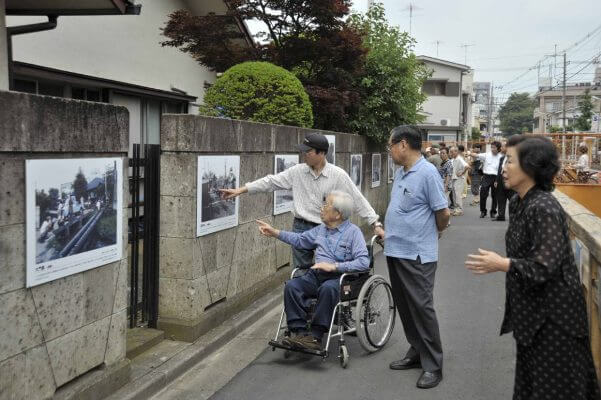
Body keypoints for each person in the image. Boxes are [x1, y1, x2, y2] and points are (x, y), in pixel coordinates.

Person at [465, 135, 600, 400]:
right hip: (532, 315)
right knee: (531, 384)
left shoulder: (544, 207)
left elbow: (544, 266)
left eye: (510, 161)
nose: (504, 167)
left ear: (532, 165)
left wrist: (502, 263)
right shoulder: (519, 201)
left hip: (555, 322)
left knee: (554, 388)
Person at [220, 132, 383, 268]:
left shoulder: (338, 175)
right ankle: (304, 305)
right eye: (303, 151)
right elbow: (271, 181)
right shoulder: (297, 171)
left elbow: (357, 198)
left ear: (321, 153)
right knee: (300, 272)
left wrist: (374, 223)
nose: (304, 154)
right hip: (301, 227)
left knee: (325, 271)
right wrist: (240, 190)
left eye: (308, 151)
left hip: (326, 229)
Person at [256, 191, 369, 351]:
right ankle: (300, 333)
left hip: (342, 278)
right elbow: (300, 239)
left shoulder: (353, 233)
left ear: (337, 214)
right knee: (292, 286)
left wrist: (335, 266)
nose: (321, 208)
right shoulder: (320, 230)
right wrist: (275, 232)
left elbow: (364, 262)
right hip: (317, 275)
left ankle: (315, 336)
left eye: (326, 205)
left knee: (328, 288)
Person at [383, 125, 450, 389]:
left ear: (402, 145)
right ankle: (416, 350)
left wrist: (436, 232)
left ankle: (433, 364)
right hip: (395, 249)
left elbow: (442, 213)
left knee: (422, 307)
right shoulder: (401, 173)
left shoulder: (428, 173)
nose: (389, 151)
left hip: (418, 253)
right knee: (405, 306)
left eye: (390, 145)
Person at [477, 141, 502, 218]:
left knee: (495, 196)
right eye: (491, 147)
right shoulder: (487, 155)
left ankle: (493, 212)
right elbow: (476, 155)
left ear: (498, 148)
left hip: (496, 177)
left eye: (494, 147)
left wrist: (498, 180)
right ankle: (483, 211)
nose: (492, 149)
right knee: (483, 194)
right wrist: (469, 153)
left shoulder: (501, 157)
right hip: (486, 176)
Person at [493, 142, 513, 221]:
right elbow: (499, 170)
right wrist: (496, 180)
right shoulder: (502, 158)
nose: (500, 148)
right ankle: (501, 215)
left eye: (502, 147)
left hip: (510, 179)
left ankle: (513, 216)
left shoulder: (513, 157)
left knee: (512, 198)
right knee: (500, 197)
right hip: (501, 179)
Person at [450, 146, 468, 216]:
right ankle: (455, 209)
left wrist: (462, 172)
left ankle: (459, 209)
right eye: (450, 152)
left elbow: (467, 166)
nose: (451, 153)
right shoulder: (452, 160)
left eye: (452, 152)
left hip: (459, 179)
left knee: (457, 195)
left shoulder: (459, 159)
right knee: (454, 195)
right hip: (454, 178)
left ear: (456, 152)